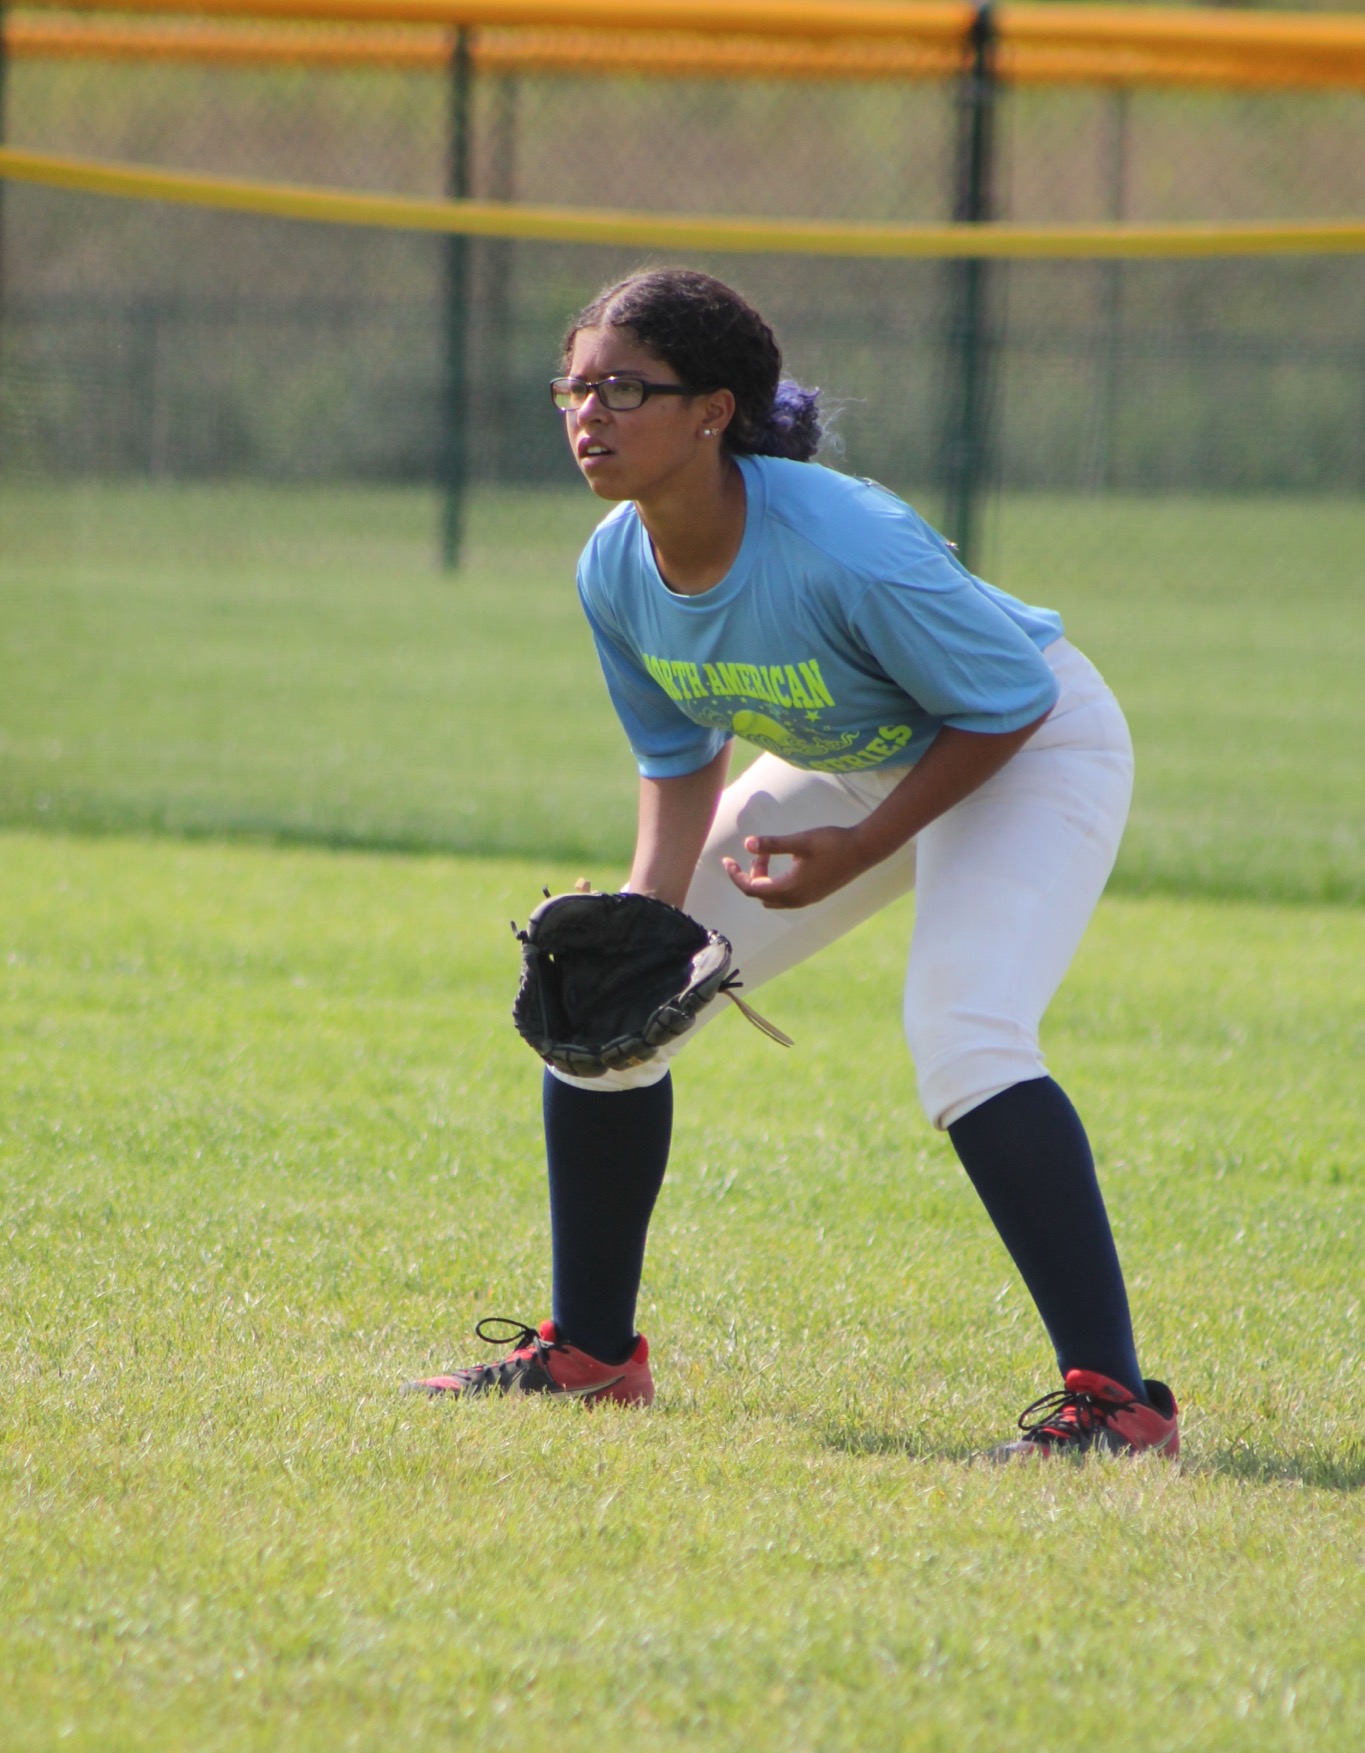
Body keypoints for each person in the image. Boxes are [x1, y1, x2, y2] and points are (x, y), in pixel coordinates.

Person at [407, 267, 1179, 1461]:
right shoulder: (616, 565)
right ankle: (593, 1354)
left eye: (625, 388)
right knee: (610, 1010)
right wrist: (649, 917)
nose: (588, 413)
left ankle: (1119, 1405)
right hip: (855, 763)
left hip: (1028, 748)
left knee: (967, 1035)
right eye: (574, 386)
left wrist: (863, 848)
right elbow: (679, 757)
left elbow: (1007, 700)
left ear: (713, 411)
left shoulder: (841, 538)